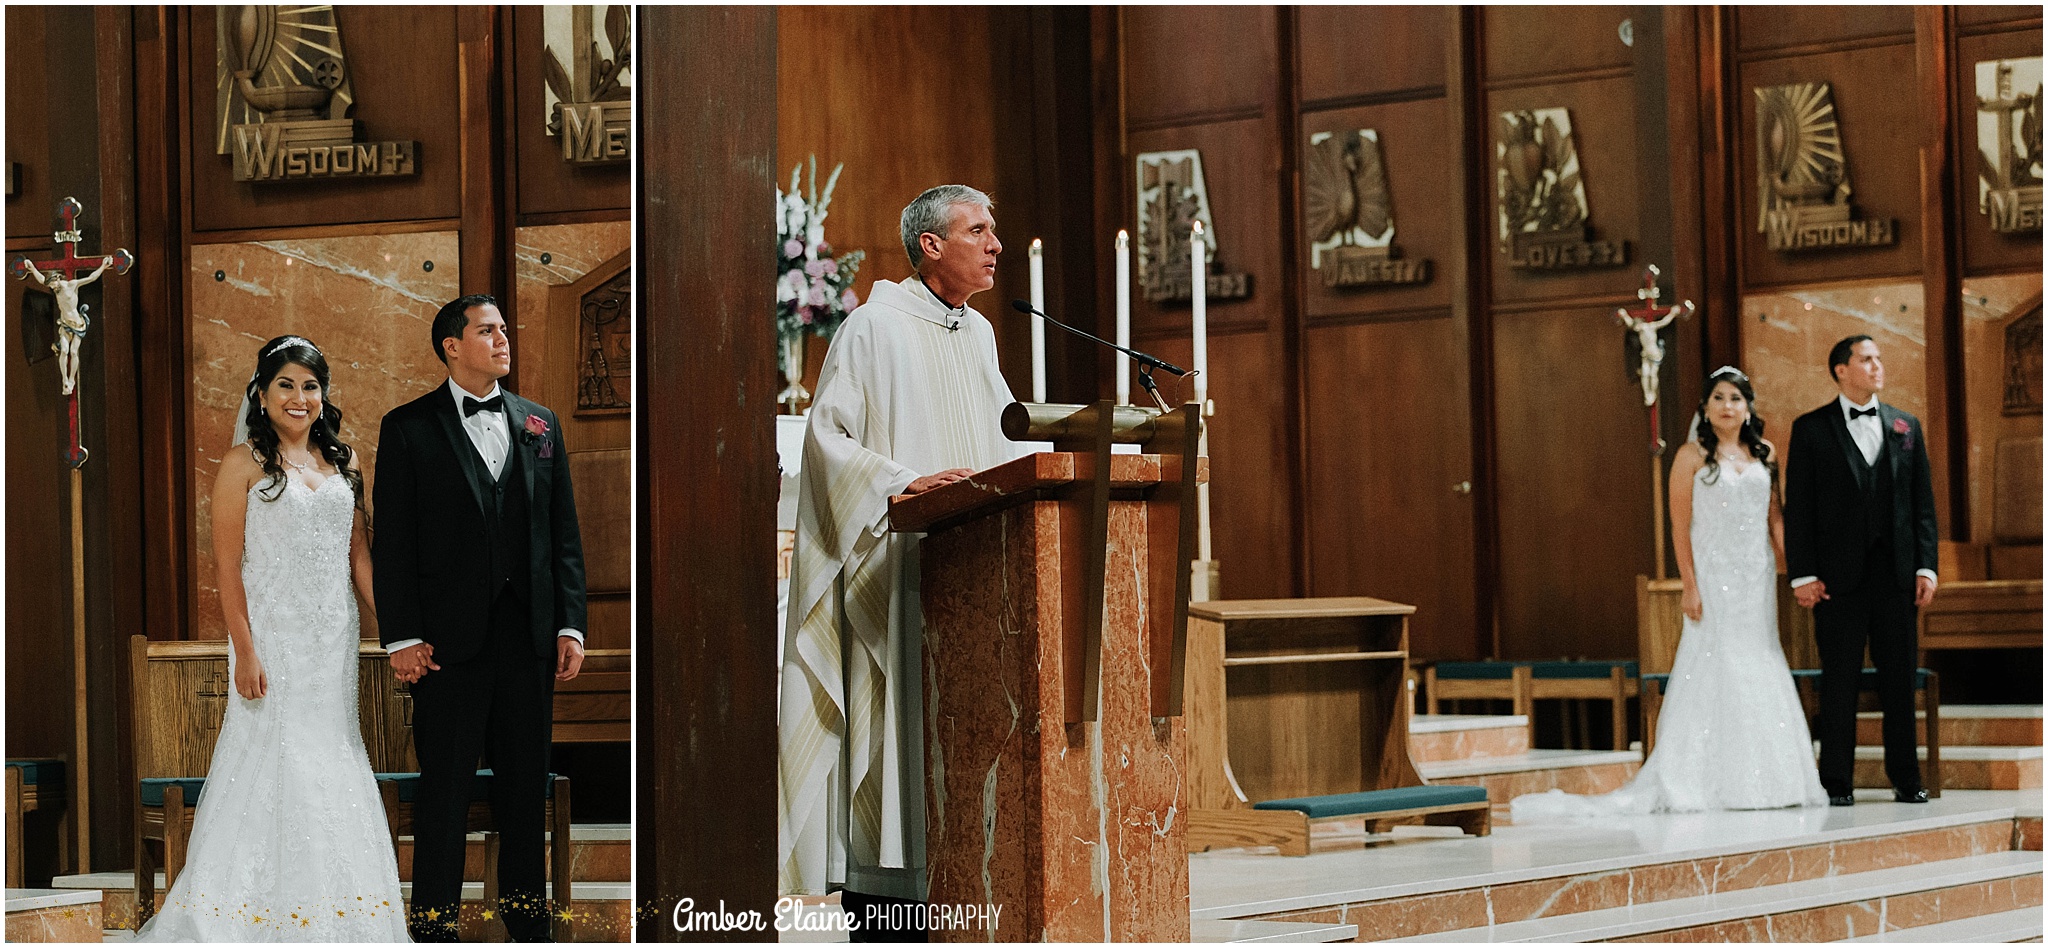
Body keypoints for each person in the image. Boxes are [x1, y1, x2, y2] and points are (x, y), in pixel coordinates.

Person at [778, 185, 1025, 941]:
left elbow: (1008, 447)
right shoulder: (874, 328)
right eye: (978, 231)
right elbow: (829, 441)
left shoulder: (977, 335)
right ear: (930, 245)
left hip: (974, 572)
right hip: (900, 572)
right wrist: (899, 481)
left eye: (993, 230)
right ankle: (891, 915)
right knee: (898, 743)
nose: (995, 245)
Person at [136, 335, 409, 941]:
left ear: (323, 395)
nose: (298, 397)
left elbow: (358, 554)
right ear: (261, 393)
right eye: (285, 384)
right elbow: (227, 568)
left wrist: (394, 630)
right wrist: (246, 650)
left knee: (335, 757)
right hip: (272, 640)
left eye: (310, 386)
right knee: (273, 760)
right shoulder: (241, 464)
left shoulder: (346, 460)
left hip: (330, 638)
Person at [1513, 367, 1827, 821]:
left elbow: (1774, 516)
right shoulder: (1690, 457)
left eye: (1736, 398)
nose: (1727, 406)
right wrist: (1691, 586)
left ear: (1748, 406)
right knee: (1716, 662)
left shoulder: (1766, 454)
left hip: (1754, 576)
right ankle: (1702, 778)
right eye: (1718, 397)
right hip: (1714, 576)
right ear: (1705, 407)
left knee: (1761, 657)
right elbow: (1681, 528)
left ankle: (1771, 778)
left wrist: (1793, 567)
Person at [373, 295, 588, 941]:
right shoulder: (408, 427)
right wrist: (403, 638)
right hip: (446, 645)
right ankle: (435, 930)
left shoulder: (541, 424)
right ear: (451, 345)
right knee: (445, 793)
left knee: (524, 793)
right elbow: (395, 542)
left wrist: (570, 623)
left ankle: (528, 929)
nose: (502, 340)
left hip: (528, 641)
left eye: (502, 330)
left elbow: (563, 533)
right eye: (487, 331)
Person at [1786, 335, 1938, 806]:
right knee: (1839, 683)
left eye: (1878, 359)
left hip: (1896, 579)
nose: (1877, 366)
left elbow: (1922, 506)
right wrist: (1802, 574)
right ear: (1840, 370)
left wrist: (1927, 567)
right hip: (1836, 582)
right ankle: (1836, 781)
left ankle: (1906, 777)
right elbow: (1800, 510)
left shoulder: (1905, 425)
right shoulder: (1811, 429)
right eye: (1866, 359)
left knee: (1899, 681)